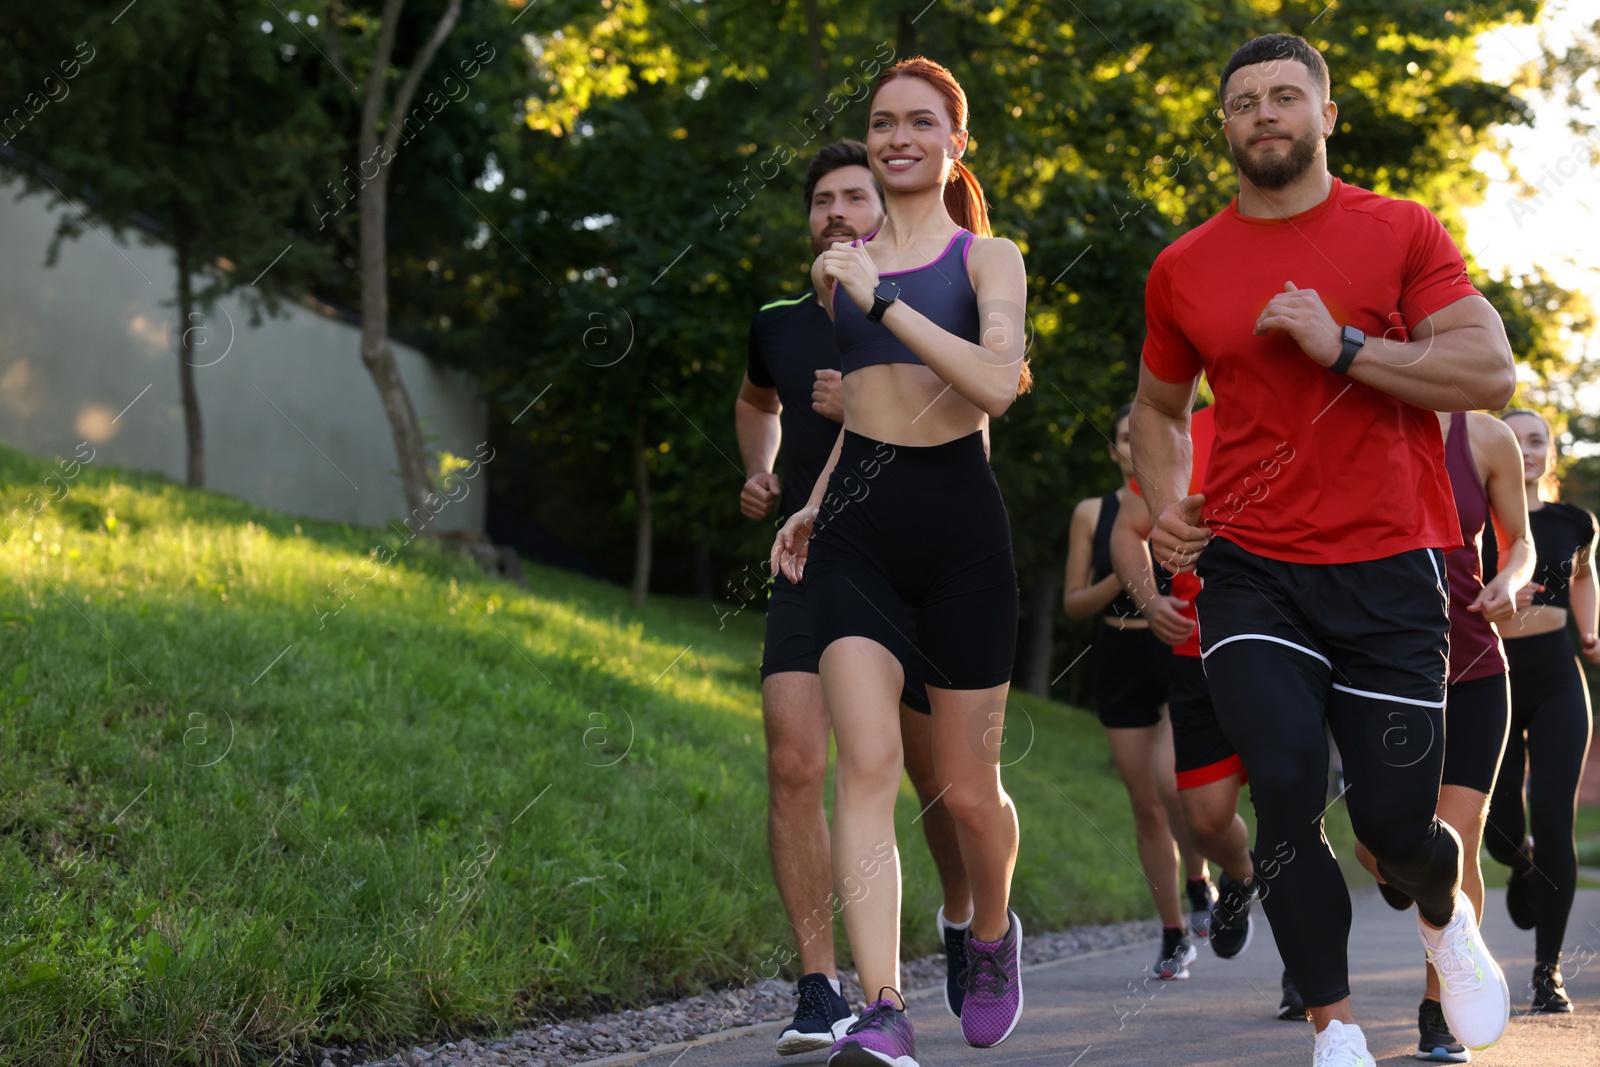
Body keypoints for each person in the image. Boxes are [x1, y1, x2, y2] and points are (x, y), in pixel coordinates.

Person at [1132, 32, 1516, 1067]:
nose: (1263, 113)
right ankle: (1333, 1026)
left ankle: (1442, 909)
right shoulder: (1183, 266)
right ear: (1225, 126)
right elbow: (1159, 408)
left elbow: (1489, 368)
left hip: (1394, 561)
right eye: (1244, 101)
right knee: (1287, 786)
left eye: (1285, 96)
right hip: (1252, 569)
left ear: (1326, 115)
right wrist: (1168, 502)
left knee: (1396, 826)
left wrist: (1343, 343)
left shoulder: (1396, 231)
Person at [770, 56, 1030, 1067]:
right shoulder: (836, 264)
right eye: (882, 122)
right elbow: (867, 408)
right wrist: (812, 498)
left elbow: (995, 382)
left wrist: (881, 298)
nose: (897, 137)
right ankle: (884, 1003)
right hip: (856, 536)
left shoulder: (985, 258)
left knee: (967, 794)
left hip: (961, 532)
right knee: (866, 762)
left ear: (954, 142)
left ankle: (993, 931)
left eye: (921, 123)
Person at [736, 140, 973, 1054]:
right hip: (811, 561)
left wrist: (867, 410)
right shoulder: (780, 321)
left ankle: (963, 915)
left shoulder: (930, 298)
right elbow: (759, 401)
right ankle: (820, 988)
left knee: (932, 778)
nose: (837, 211)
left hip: (912, 560)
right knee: (795, 760)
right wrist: (762, 470)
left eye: (855, 197)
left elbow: (971, 423)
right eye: (822, 199)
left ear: (888, 208)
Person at [1110, 402, 1309, 1019]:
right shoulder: (1182, 427)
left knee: (1289, 807)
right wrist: (1149, 600)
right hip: (1199, 650)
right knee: (1203, 815)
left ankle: (1307, 969)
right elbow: (1129, 528)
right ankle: (1242, 875)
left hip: (1295, 645)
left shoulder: (1318, 409)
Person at [1351, 409, 1533, 1060]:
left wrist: (1508, 579)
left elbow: (1521, 543)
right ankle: (1400, 871)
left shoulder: (1484, 436)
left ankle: (1439, 1007)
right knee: (1377, 846)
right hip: (1386, 674)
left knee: (1459, 838)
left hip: (1476, 669)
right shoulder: (1352, 421)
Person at [1063, 402, 1214, 981]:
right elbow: (1075, 603)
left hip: (1178, 645)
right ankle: (1173, 933)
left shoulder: (1186, 493)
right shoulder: (1093, 513)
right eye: (1123, 439)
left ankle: (1200, 877)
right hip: (1120, 650)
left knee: (1173, 779)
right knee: (1146, 805)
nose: (1132, 447)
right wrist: (1126, 573)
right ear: (1114, 449)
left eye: (1139, 437)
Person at [1482, 408, 1598, 1014]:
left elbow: (1584, 576)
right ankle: (1520, 864)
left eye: (1536, 440)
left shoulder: (1573, 521)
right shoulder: (1473, 519)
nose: (1525, 449)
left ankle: (1546, 973)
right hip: (1489, 678)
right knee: (1499, 829)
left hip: (1557, 679)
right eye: (1514, 438)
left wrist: (1591, 631)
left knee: (1556, 819)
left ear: (1550, 452)